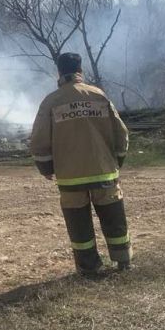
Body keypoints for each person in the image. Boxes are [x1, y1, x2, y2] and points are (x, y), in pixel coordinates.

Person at [30, 52, 131, 275]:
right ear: (80, 71)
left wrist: (46, 167)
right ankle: (123, 260)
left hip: (70, 177)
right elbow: (121, 132)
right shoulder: (98, 96)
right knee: (113, 216)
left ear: (59, 72)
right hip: (104, 173)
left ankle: (89, 267)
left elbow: (38, 139)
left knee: (79, 224)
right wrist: (118, 159)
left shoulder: (51, 102)